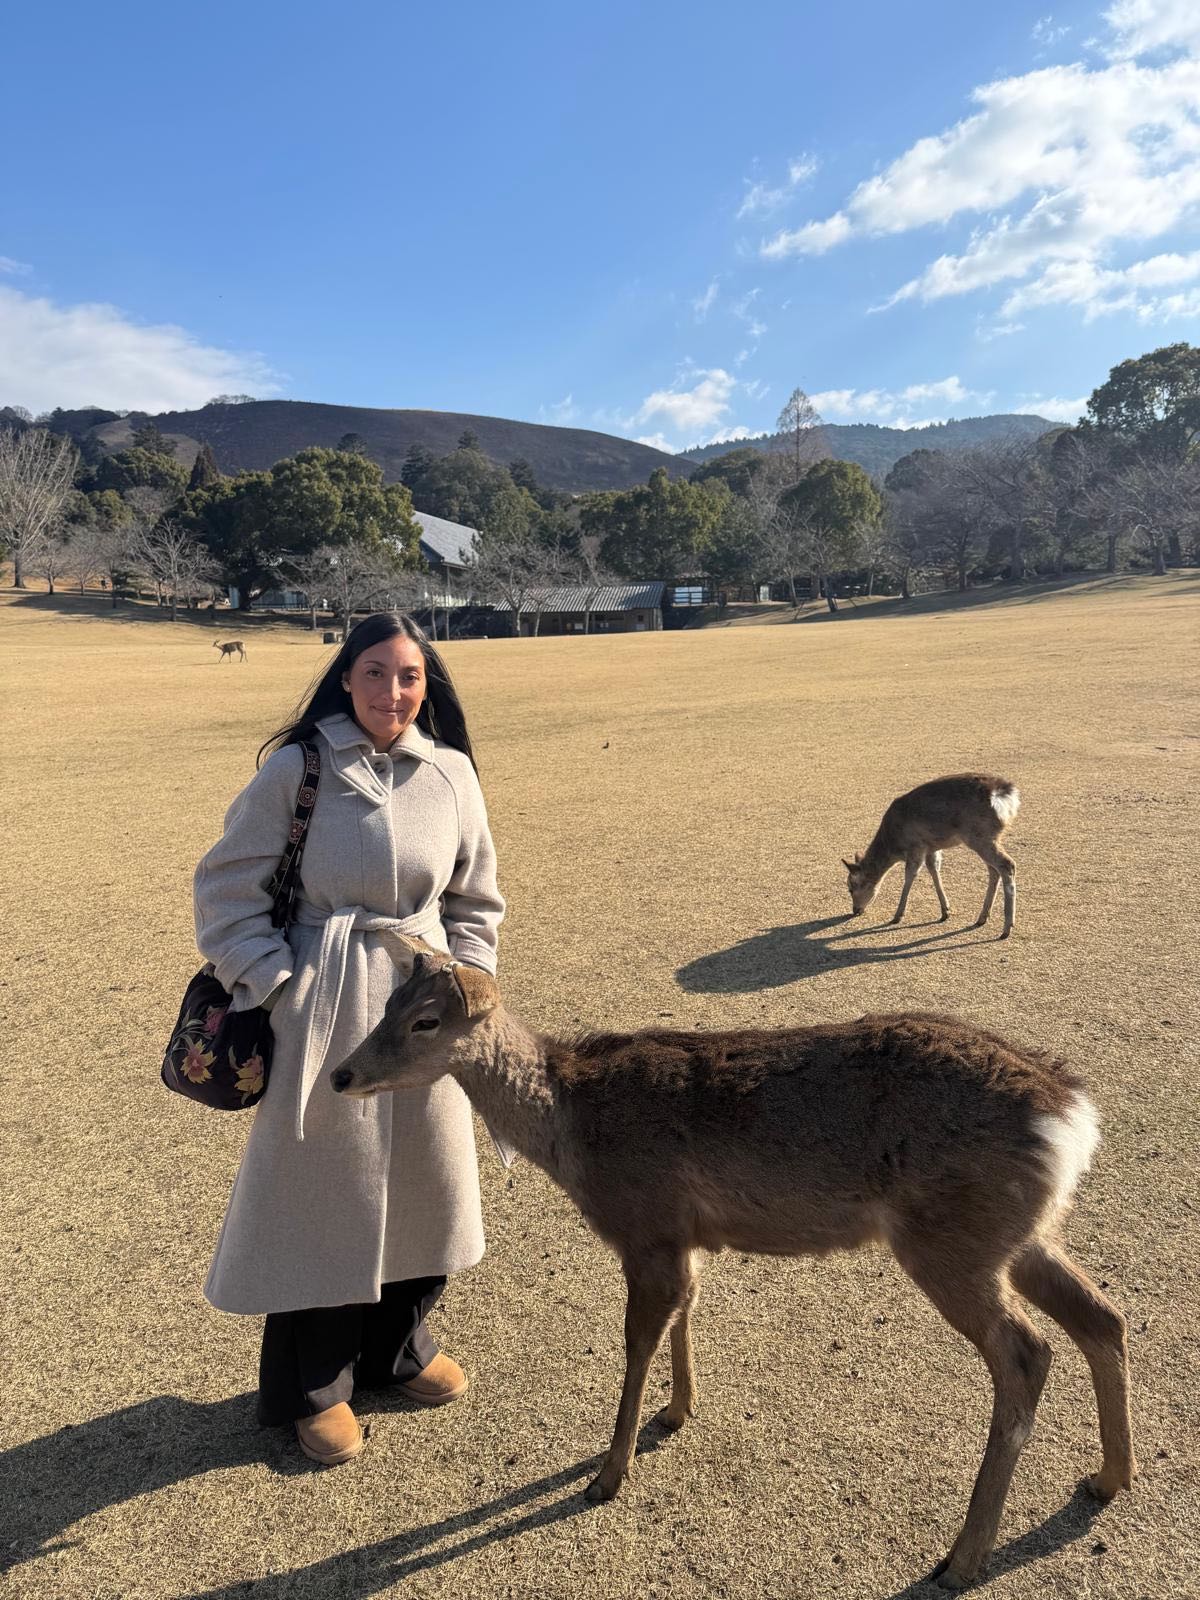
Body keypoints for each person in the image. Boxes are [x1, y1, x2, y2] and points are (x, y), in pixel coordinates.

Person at [193, 611, 504, 1466]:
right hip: (323, 1006)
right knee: (324, 1199)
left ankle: (396, 1351)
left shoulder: (452, 773)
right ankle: (312, 1389)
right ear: (345, 678)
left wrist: (469, 984)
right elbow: (225, 890)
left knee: (425, 1188)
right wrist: (279, 984)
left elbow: (477, 897)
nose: (393, 692)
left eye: (409, 677)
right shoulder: (299, 769)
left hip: (426, 1016)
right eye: (375, 673)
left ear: (426, 685)